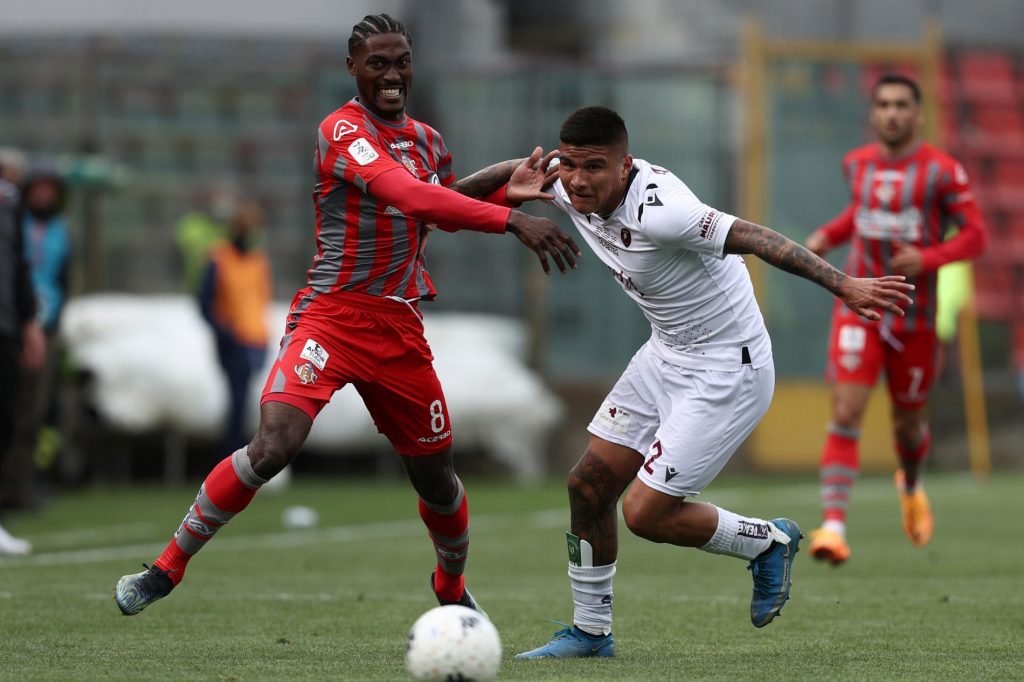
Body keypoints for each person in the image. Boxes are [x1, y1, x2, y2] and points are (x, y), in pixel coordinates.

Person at [113, 13, 579, 616]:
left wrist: (500, 185)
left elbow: (435, 207)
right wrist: (511, 218)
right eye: (377, 63)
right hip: (331, 318)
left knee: (437, 479)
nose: (392, 75)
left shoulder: (428, 140)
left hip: (399, 327)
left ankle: (451, 588)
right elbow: (407, 194)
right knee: (273, 445)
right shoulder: (341, 129)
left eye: (402, 62)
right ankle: (165, 569)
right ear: (352, 67)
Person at [514, 106, 914, 659]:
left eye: (594, 167)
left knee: (644, 514)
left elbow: (755, 236)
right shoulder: (564, 182)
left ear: (624, 165)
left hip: (728, 368)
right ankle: (590, 633)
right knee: (587, 486)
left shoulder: (664, 212)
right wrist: (431, 205)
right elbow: (509, 174)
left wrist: (843, 284)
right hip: (665, 352)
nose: (578, 180)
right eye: (570, 165)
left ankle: (767, 541)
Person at [803, 74, 987, 565]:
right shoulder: (857, 163)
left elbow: (976, 235)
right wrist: (828, 235)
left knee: (907, 426)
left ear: (918, 114)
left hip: (914, 318)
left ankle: (910, 482)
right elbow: (861, 213)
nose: (892, 113)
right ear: (873, 113)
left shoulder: (943, 172)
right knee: (846, 412)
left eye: (902, 105)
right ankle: (833, 528)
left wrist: (927, 258)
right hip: (859, 307)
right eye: (883, 104)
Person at [2, 162, 71, 510]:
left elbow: (63, 278)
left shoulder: (61, 229)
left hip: (43, 326)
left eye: (50, 189)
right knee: (9, 406)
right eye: (39, 188)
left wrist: (51, 322)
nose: (44, 195)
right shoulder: (14, 217)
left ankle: (19, 484)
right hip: (12, 321)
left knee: (34, 410)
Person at [198, 200, 273, 454]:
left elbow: (261, 300)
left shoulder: (258, 261)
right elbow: (205, 303)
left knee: (252, 402)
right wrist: (224, 331)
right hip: (233, 342)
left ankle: (248, 455)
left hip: (257, 339)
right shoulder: (219, 258)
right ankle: (234, 455)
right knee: (238, 401)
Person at [0, 156, 44, 554]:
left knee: (5, 419)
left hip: (6, 326)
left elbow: (19, 265)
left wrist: (30, 322)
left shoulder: (8, 202)